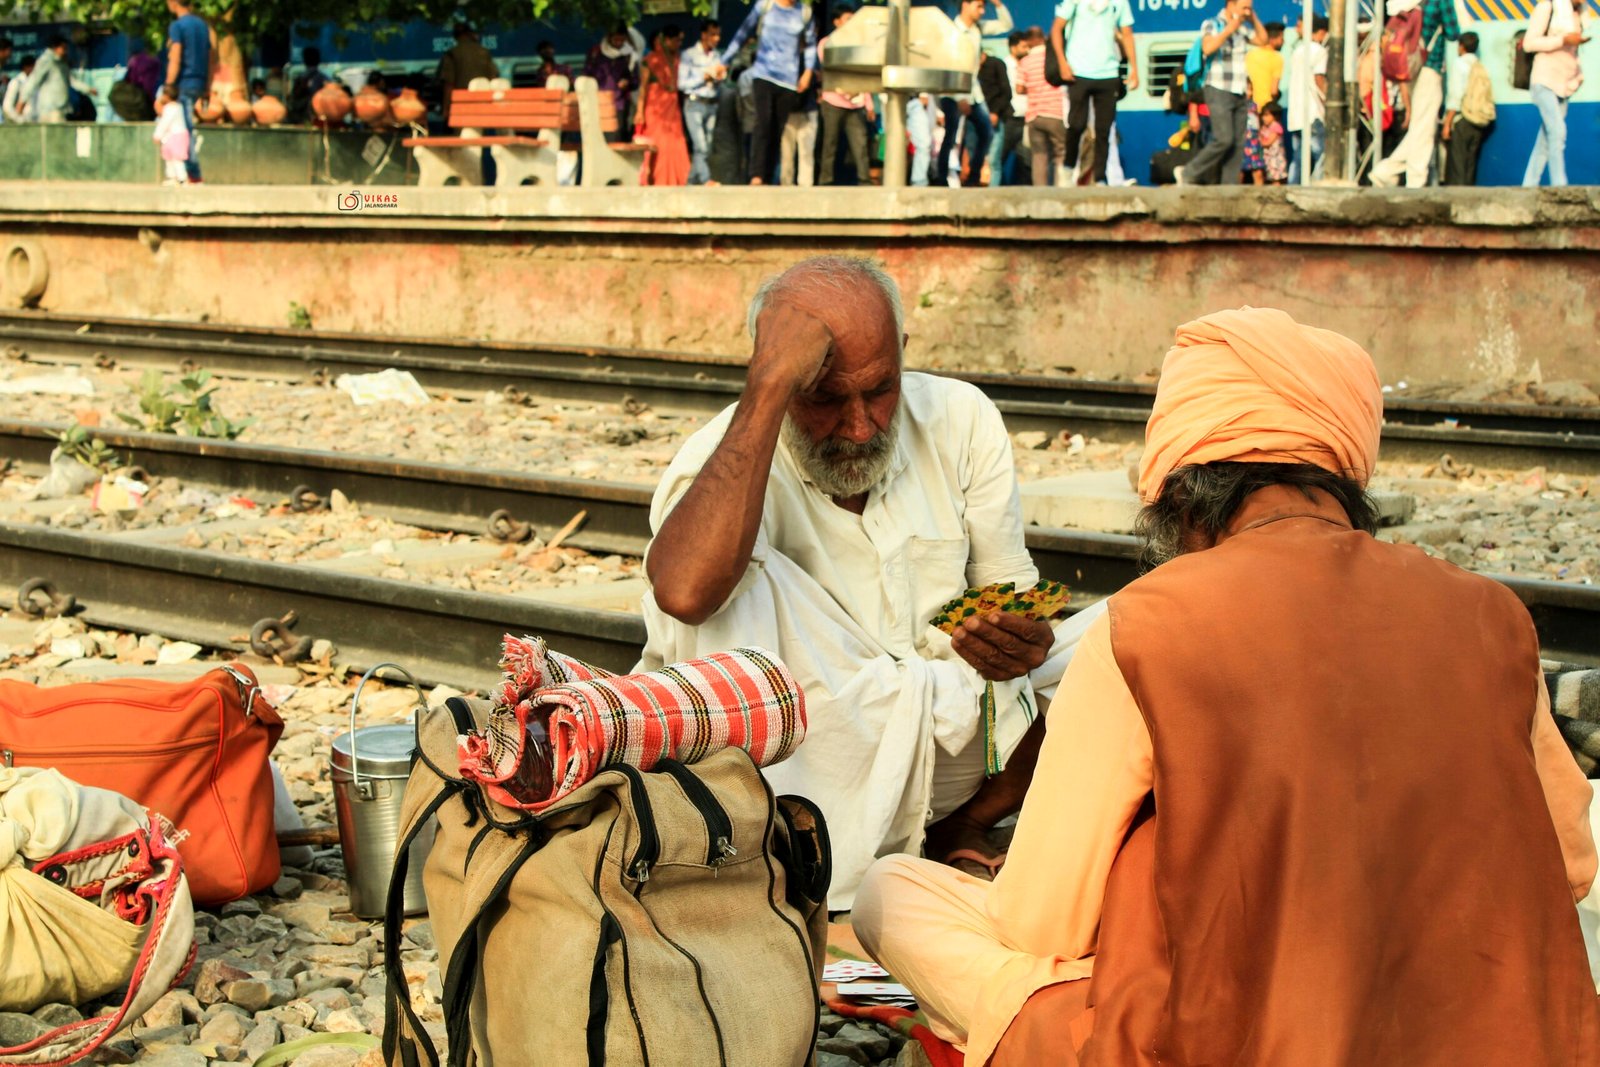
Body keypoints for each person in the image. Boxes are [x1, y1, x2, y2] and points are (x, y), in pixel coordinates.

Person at [854, 305, 1600, 1067]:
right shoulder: (1491, 613)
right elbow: (1572, 863)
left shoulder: (1149, 623)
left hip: (1221, 1040)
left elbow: (1043, 922)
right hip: (1496, 1037)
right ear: (1344, 473)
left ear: (1182, 497)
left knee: (892, 893)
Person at [638, 256, 1098, 909]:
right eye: (825, 398)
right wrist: (766, 392)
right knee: (731, 584)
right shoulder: (720, 463)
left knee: (1126, 640)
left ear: (904, 355)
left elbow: (1015, 600)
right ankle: (779, 865)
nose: (859, 426)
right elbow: (683, 592)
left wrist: (1018, 637)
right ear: (776, 376)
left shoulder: (961, 420)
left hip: (951, 751)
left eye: (880, 390)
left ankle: (958, 828)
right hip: (817, 771)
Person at [720, 0, 817, 185]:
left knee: (777, 129)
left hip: (788, 79)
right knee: (763, 123)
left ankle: (768, 175)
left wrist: (808, 72)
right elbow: (742, 33)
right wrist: (725, 60)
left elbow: (811, 43)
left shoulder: (804, 13)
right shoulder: (765, 6)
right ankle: (756, 174)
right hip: (764, 74)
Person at [1369, 0, 1459, 187]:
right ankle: (1415, 181)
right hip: (1429, 66)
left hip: (1408, 66)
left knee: (1419, 126)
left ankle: (1386, 171)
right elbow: (1453, 33)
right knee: (1425, 128)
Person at [1178, 0, 1266, 184]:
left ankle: (1229, 187)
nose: (1247, 11)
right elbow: (1207, 48)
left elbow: (1263, 40)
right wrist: (1229, 28)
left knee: (1238, 144)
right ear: (1231, 5)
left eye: (1250, 7)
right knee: (1224, 139)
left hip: (1239, 90)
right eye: (1244, 7)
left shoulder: (1243, 28)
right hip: (1218, 88)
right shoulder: (1212, 24)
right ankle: (1188, 173)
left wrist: (1254, 18)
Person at [1051, 0, 1136, 185]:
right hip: (1078, 72)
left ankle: (1100, 177)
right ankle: (1067, 168)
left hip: (1109, 73)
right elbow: (1057, 28)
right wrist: (1062, 62)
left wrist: (1134, 68)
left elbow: (1127, 34)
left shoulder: (1120, 3)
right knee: (1076, 125)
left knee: (1104, 130)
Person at [936, 0, 1014, 187]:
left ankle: (973, 177)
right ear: (965, 4)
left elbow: (1006, 25)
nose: (981, 11)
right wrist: (959, 97)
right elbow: (947, 65)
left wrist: (998, 4)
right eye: (978, 6)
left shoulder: (977, 28)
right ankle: (941, 180)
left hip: (973, 92)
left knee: (986, 132)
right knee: (951, 136)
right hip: (952, 91)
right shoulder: (951, 30)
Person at [1521, 0, 1587, 188]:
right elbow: (1529, 43)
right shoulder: (1547, 7)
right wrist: (1562, 40)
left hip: (1564, 84)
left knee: (1545, 141)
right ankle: (1560, 185)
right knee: (1558, 131)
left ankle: (1528, 186)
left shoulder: (1578, 15)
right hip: (1544, 80)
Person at [818, 6, 877, 185]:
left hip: (856, 104)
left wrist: (869, 104)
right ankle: (825, 182)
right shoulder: (826, 43)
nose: (851, 23)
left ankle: (864, 181)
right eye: (847, 19)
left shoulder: (859, 45)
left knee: (860, 144)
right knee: (830, 144)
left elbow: (864, 74)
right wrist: (845, 88)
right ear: (836, 22)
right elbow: (828, 70)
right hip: (833, 101)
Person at [636, 26, 691, 186]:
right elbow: (643, 88)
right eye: (675, 40)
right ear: (665, 40)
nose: (678, 44)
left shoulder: (678, 60)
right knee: (657, 143)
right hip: (655, 109)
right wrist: (639, 111)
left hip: (673, 109)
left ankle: (677, 180)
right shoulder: (650, 60)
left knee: (674, 143)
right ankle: (656, 180)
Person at [1017, 26, 1067, 185]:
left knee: (1039, 155)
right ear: (1042, 38)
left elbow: (1019, 88)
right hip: (1055, 113)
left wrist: (1033, 88)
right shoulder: (1054, 57)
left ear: (1028, 41)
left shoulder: (1024, 61)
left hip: (1034, 115)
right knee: (1061, 153)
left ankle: (1040, 193)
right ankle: (1062, 189)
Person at [1443, 31, 1492, 186]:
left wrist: (1447, 123)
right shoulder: (1479, 66)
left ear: (1461, 46)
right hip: (1478, 120)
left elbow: (1456, 95)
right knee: (1470, 163)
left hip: (1462, 119)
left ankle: (1456, 202)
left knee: (1457, 165)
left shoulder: (1460, 64)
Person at [679, 21, 724, 184]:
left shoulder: (717, 56)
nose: (717, 38)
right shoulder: (689, 55)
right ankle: (706, 180)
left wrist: (718, 78)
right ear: (703, 35)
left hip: (712, 103)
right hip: (694, 104)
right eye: (713, 34)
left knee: (707, 146)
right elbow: (682, 84)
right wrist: (702, 78)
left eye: (718, 34)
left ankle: (691, 182)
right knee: (701, 145)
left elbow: (719, 80)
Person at [1286, 13, 1328, 183]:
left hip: (1296, 113)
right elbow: (1319, 79)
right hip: (1313, 112)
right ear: (1320, 32)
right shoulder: (1319, 50)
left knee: (1299, 157)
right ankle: (1318, 188)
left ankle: (1293, 187)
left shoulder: (1298, 51)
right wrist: (1327, 103)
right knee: (1322, 154)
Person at [1240, 21, 1283, 185]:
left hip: (1247, 110)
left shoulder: (1250, 55)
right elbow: (1274, 90)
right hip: (1266, 112)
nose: (1283, 42)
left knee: (1245, 156)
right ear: (1274, 39)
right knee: (1266, 154)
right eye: (1281, 38)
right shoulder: (1277, 59)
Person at [19, 35, 96, 124]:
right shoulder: (46, 60)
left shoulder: (62, 64)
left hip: (61, 110)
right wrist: (22, 101)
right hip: (49, 110)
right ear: (55, 47)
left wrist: (87, 89)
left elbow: (71, 81)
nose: (65, 51)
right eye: (63, 48)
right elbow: (33, 81)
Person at [586, 25, 641, 139]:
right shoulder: (596, 53)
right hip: (597, 103)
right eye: (616, 39)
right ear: (609, 37)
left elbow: (635, 80)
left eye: (622, 40)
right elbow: (586, 75)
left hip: (618, 104)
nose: (619, 42)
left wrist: (627, 83)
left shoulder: (629, 56)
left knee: (616, 137)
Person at [439, 22, 498, 122]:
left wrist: (446, 109)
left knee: (462, 134)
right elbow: (494, 77)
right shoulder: (483, 52)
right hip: (483, 103)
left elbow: (449, 83)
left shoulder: (452, 53)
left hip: (461, 106)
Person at [995, 32, 1032, 184]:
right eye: (1024, 46)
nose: (1027, 50)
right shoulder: (1003, 66)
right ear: (1013, 47)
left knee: (1026, 161)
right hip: (1009, 119)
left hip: (1026, 119)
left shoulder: (1028, 65)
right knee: (999, 157)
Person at [152, 86, 191, 184]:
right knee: (169, 158)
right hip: (171, 137)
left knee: (176, 158)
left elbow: (165, 123)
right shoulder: (177, 107)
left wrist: (157, 135)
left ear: (167, 96)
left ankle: (182, 178)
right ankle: (172, 177)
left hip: (176, 136)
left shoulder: (170, 108)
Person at [287, 46, 329, 123]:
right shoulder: (324, 78)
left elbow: (293, 97)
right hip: (318, 116)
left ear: (305, 60)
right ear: (318, 60)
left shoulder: (300, 78)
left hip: (302, 117)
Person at [1258, 98, 1287, 182]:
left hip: (1275, 160)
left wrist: (1258, 140)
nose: (1264, 118)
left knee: (1276, 180)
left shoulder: (1276, 127)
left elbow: (1267, 143)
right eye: (1263, 115)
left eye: (1267, 115)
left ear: (1275, 116)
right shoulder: (1265, 127)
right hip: (1268, 159)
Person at [2, 55, 32, 123]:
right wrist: (19, 120)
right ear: (27, 67)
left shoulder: (34, 83)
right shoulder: (16, 82)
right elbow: (7, 107)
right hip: (20, 125)